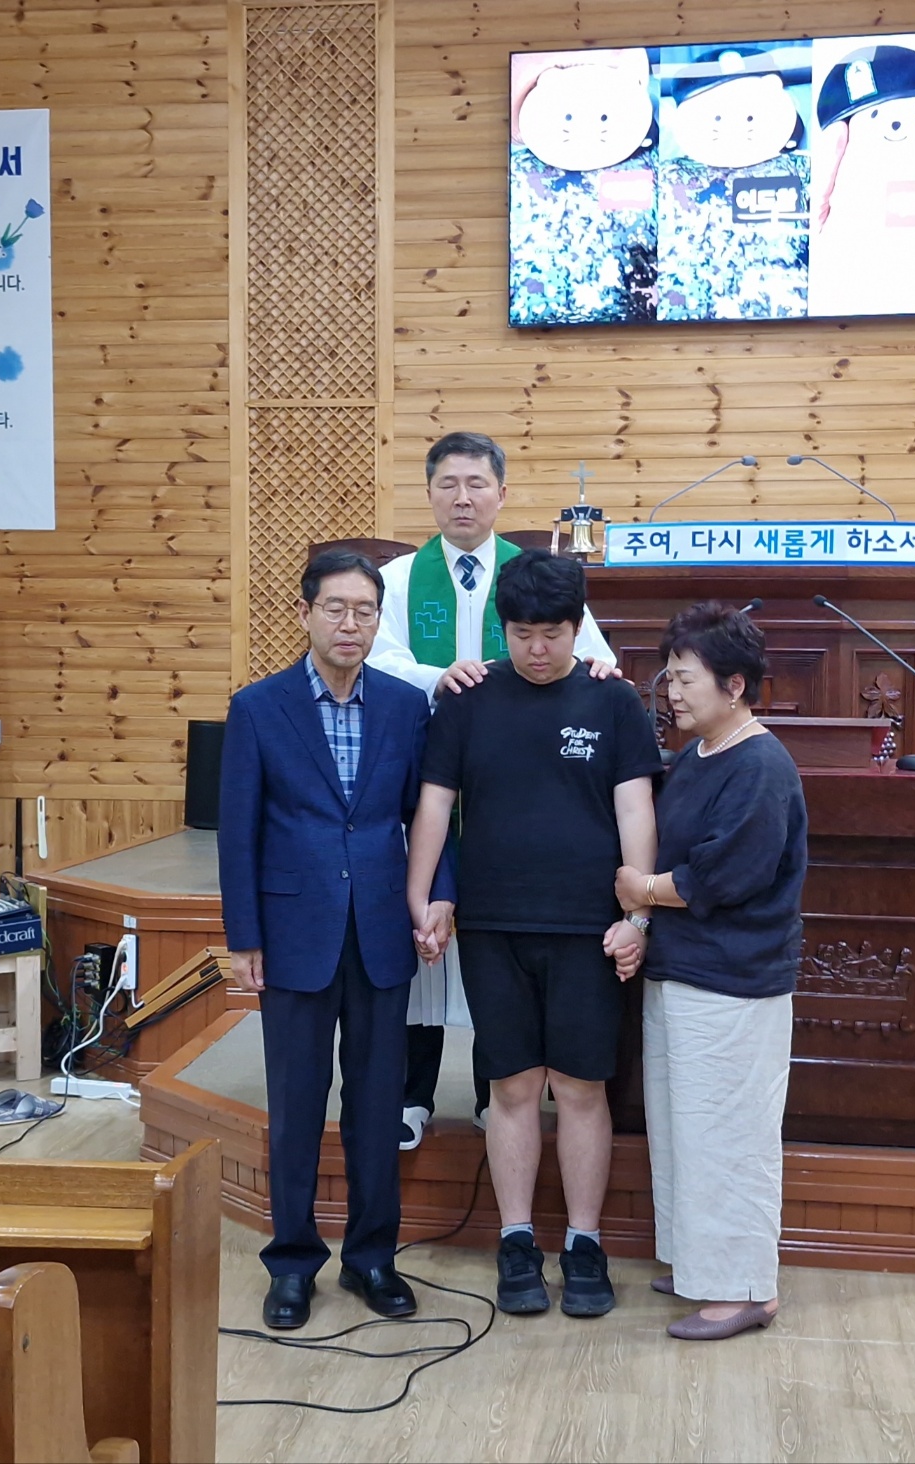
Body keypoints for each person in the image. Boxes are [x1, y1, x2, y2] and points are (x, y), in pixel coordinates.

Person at [406, 550, 661, 1318]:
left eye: (552, 634)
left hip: (588, 926)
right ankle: (515, 1240)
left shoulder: (613, 702)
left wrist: (637, 915)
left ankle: (584, 1243)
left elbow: (635, 808)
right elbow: (435, 803)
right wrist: (422, 896)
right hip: (493, 922)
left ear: (578, 629)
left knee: (581, 1087)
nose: (538, 649)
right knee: (512, 1086)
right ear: (504, 628)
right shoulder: (468, 700)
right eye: (522, 634)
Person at [218, 548, 455, 1331]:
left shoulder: (405, 706)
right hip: (293, 931)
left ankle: (371, 1257)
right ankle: (292, 1263)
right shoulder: (259, 707)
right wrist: (245, 935)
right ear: (305, 614)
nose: (350, 624)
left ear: (378, 620)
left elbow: (430, 814)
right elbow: (238, 834)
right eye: (336, 608)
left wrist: (439, 894)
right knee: (295, 1104)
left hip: (383, 928)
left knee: (378, 1103)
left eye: (365, 611)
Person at [369, 430, 618, 1150]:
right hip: (424, 777)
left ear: (502, 494)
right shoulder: (398, 579)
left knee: (495, 946)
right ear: (429, 494)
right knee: (423, 939)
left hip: (513, 790)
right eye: (448, 484)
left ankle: (491, 1096)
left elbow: (589, 654)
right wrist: (437, 676)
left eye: (476, 483)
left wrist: (601, 670)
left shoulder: (533, 574)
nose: (462, 498)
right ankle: (412, 1095)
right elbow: (377, 659)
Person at [615, 602, 807, 1342]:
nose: (672, 692)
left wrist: (642, 890)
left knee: (729, 1138)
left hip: (734, 982)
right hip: (684, 969)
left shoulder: (761, 764)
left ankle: (743, 1289)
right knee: (685, 1133)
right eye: (668, 677)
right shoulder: (698, 754)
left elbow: (726, 874)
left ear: (734, 685)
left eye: (685, 678)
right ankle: (701, 1266)